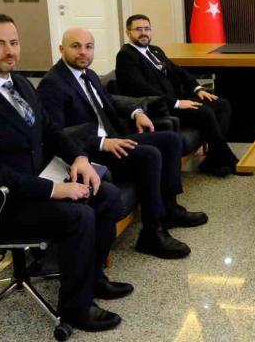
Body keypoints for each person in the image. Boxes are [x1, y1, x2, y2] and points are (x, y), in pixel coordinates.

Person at [0, 14, 131, 333]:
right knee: (79, 216)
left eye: (14, 42)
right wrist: (53, 190)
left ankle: (94, 279)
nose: (9, 51)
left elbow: (50, 130)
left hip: (30, 185)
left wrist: (79, 158)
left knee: (105, 194)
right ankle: (76, 308)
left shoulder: (20, 83)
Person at [37, 27, 208, 260]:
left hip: (112, 139)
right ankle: (151, 233)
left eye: (88, 47)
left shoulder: (88, 74)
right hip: (87, 153)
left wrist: (137, 112)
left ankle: (170, 209)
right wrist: (100, 143)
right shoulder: (52, 84)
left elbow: (109, 100)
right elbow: (55, 133)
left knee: (170, 139)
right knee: (149, 155)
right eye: (76, 46)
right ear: (61, 49)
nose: (83, 52)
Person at [115, 14, 245, 177]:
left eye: (147, 29)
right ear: (128, 32)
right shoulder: (126, 55)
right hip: (159, 106)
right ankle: (230, 160)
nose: (143, 33)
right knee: (204, 112)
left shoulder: (154, 50)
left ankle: (213, 160)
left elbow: (178, 71)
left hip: (177, 99)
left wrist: (197, 89)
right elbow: (140, 89)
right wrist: (176, 103)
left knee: (222, 104)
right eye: (138, 29)